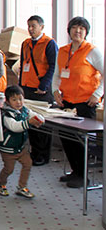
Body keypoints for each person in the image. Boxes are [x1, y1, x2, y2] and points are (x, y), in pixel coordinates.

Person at [52, 17, 104, 188]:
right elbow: (57, 75)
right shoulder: (63, 50)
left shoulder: (92, 51)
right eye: (75, 27)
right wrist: (55, 92)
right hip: (66, 103)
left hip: (85, 103)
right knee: (67, 138)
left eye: (82, 28)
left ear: (86, 32)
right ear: (69, 30)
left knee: (81, 141)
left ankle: (83, 176)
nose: (78, 31)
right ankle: (75, 171)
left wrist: (97, 94)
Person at [19, 15, 58, 166]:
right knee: (30, 121)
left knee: (42, 124)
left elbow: (53, 67)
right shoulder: (25, 44)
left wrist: (44, 85)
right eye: (28, 26)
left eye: (33, 26)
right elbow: (23, 65)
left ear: (41, 27)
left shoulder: (49, 43)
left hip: (41, 90)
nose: (30, 29)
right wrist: (20, 86)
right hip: (27, 88)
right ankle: (34, 152)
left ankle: (42, 155)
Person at [0, 85, 43, 199]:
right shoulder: (7, 114)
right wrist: (29, 123)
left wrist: (39, 119)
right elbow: (15, 127)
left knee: (28, 164)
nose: (18, 102)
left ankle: (22, 187)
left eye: (20, 99)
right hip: (8, 148)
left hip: (21, 147)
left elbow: (35, 115)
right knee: (9, 169)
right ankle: (0, 184)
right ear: (8, 101)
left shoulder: (25, 110)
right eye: (14, 100)